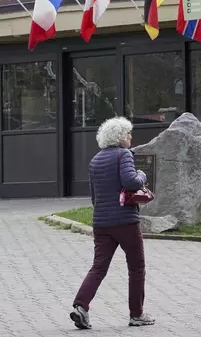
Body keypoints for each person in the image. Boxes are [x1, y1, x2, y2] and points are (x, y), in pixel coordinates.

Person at [70, 116, 155, 329]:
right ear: (120, 137)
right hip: (125, 221)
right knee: (136, 267)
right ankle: (136, 314)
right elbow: (130, 181)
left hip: (101, 222)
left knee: (98, 267)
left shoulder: (95, 160)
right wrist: (142, 175)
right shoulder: (124, 155)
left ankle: (80, 307)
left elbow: (93, 196)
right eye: (128, 134)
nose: (130, 137)